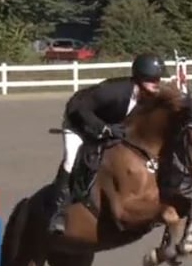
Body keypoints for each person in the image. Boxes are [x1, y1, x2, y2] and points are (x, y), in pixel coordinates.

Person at [45, 53, 168, 234]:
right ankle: (57, 211)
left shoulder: (149, 97)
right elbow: (80, 108)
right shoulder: (114, 92)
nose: (157, 83)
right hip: (79, 121)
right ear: (140, 78)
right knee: (71, 159)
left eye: (158, 79)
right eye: (152, 79)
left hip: (110, 123)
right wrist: (104, 128)